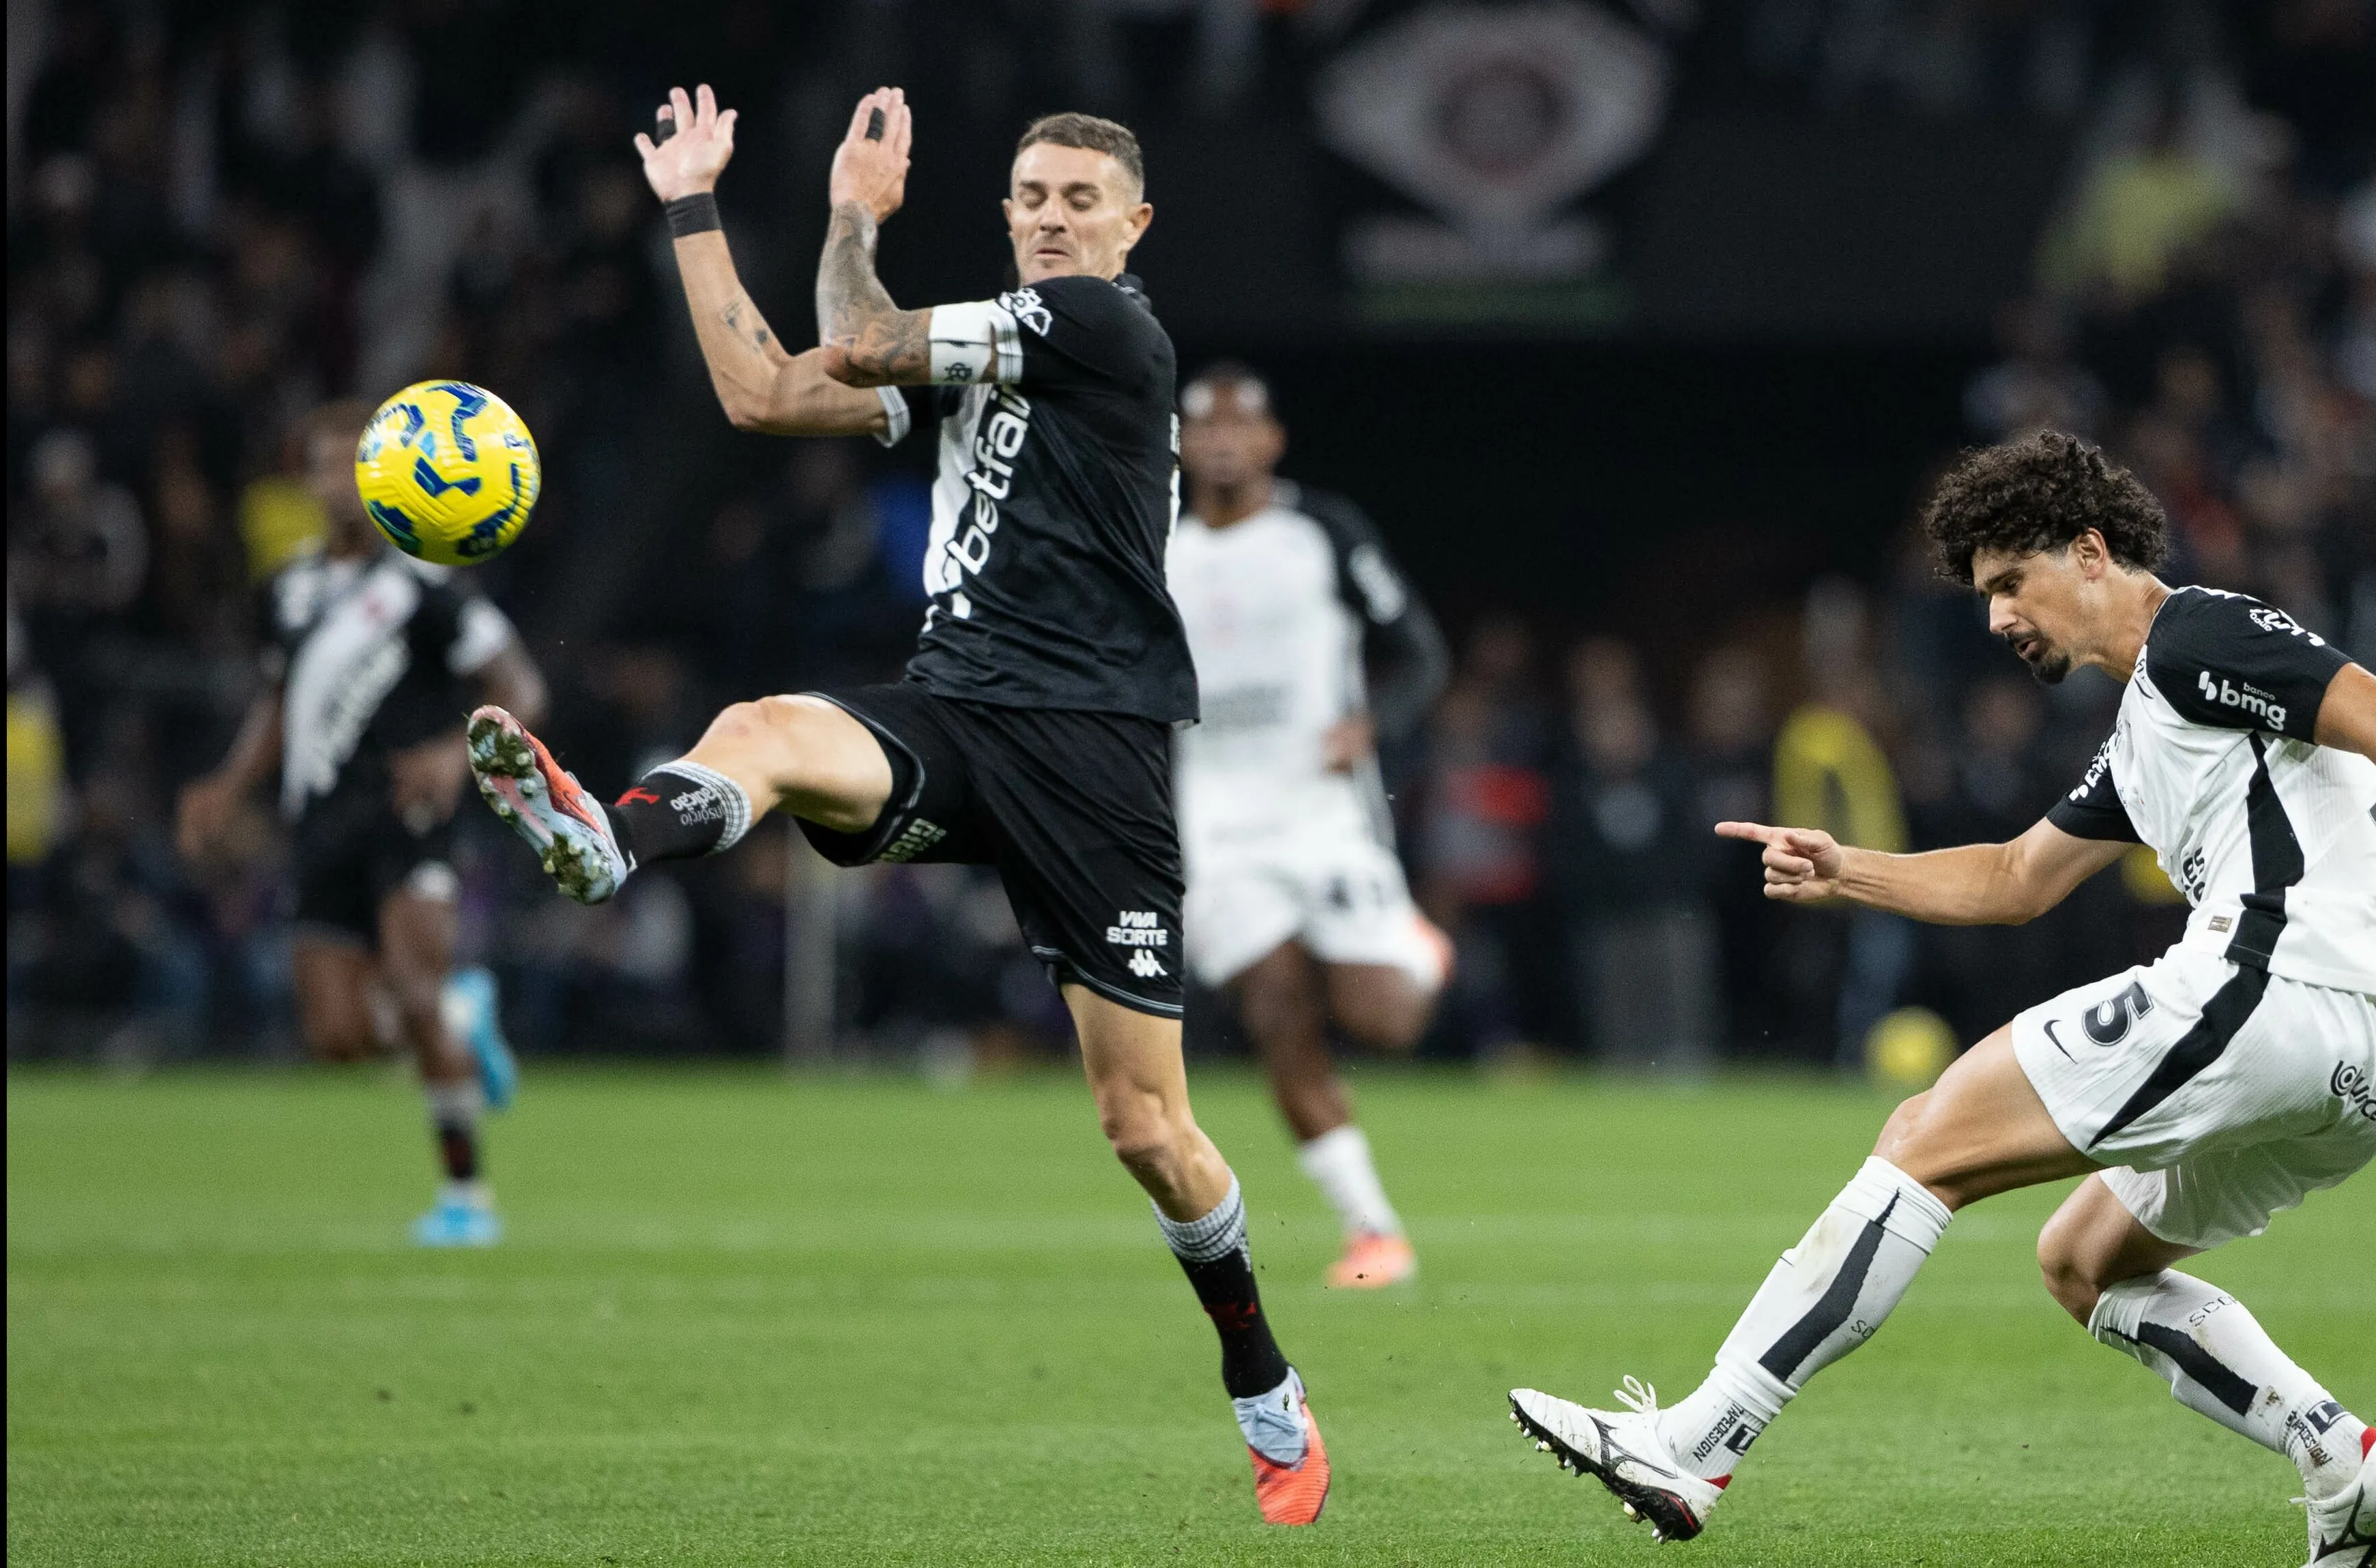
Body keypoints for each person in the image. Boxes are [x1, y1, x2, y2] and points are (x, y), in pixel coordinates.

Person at [1507, 431, 2376, 1565]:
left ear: (2090, 552)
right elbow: (2014, 878)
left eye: (2010, 581)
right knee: (2084, 1260)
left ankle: (1696, 1440)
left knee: (1925, 1138)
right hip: (2374, 1063)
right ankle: (2343, 1458)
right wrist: (1848, 869)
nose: (1997, 616)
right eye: (1984, 594)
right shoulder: (2149, 723)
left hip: (2278, 986)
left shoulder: (2197, 635)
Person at [467, 87, 1329, 1525]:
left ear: (1132, 226)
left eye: (1079, 200)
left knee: (1145, 1130)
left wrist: (852, 216)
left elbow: (863, 336)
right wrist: (691, 208)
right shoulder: (990, 352)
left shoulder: (1105, 328)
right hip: (959, 713)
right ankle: (611, 839)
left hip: (1096, 756)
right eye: (1030, 196)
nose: (1050, 218)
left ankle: (1261, 1375)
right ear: (1004, 211)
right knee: (766, 728)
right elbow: (760, 393)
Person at [175, 400, 547, 1247]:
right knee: (337, 1038)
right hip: (318, 822)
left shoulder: (427, 584)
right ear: (305, 480)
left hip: (407, 811)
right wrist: (230, 784)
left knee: (413, 989)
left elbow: (522, 686)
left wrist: (455, 756)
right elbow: (281, 698)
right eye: (323, 466)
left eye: (356, 466)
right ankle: (462, 1020)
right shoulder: (288, 589)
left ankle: (466, 1198)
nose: (338, 484)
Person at [1171, 363, 1451, 1288]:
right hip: (1217, 824)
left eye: (1239, 425)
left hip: (1321, 812)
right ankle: (1373, 1230)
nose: (1222, 441)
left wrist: (1375, 723)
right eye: (1204, 425)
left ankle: (1419, 946)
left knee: (1387, 1019)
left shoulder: (1322, 532)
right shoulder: (1153, 547)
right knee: (1275, 1011)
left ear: (1271, 441)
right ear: (1180, 444)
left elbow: (1420, 650)